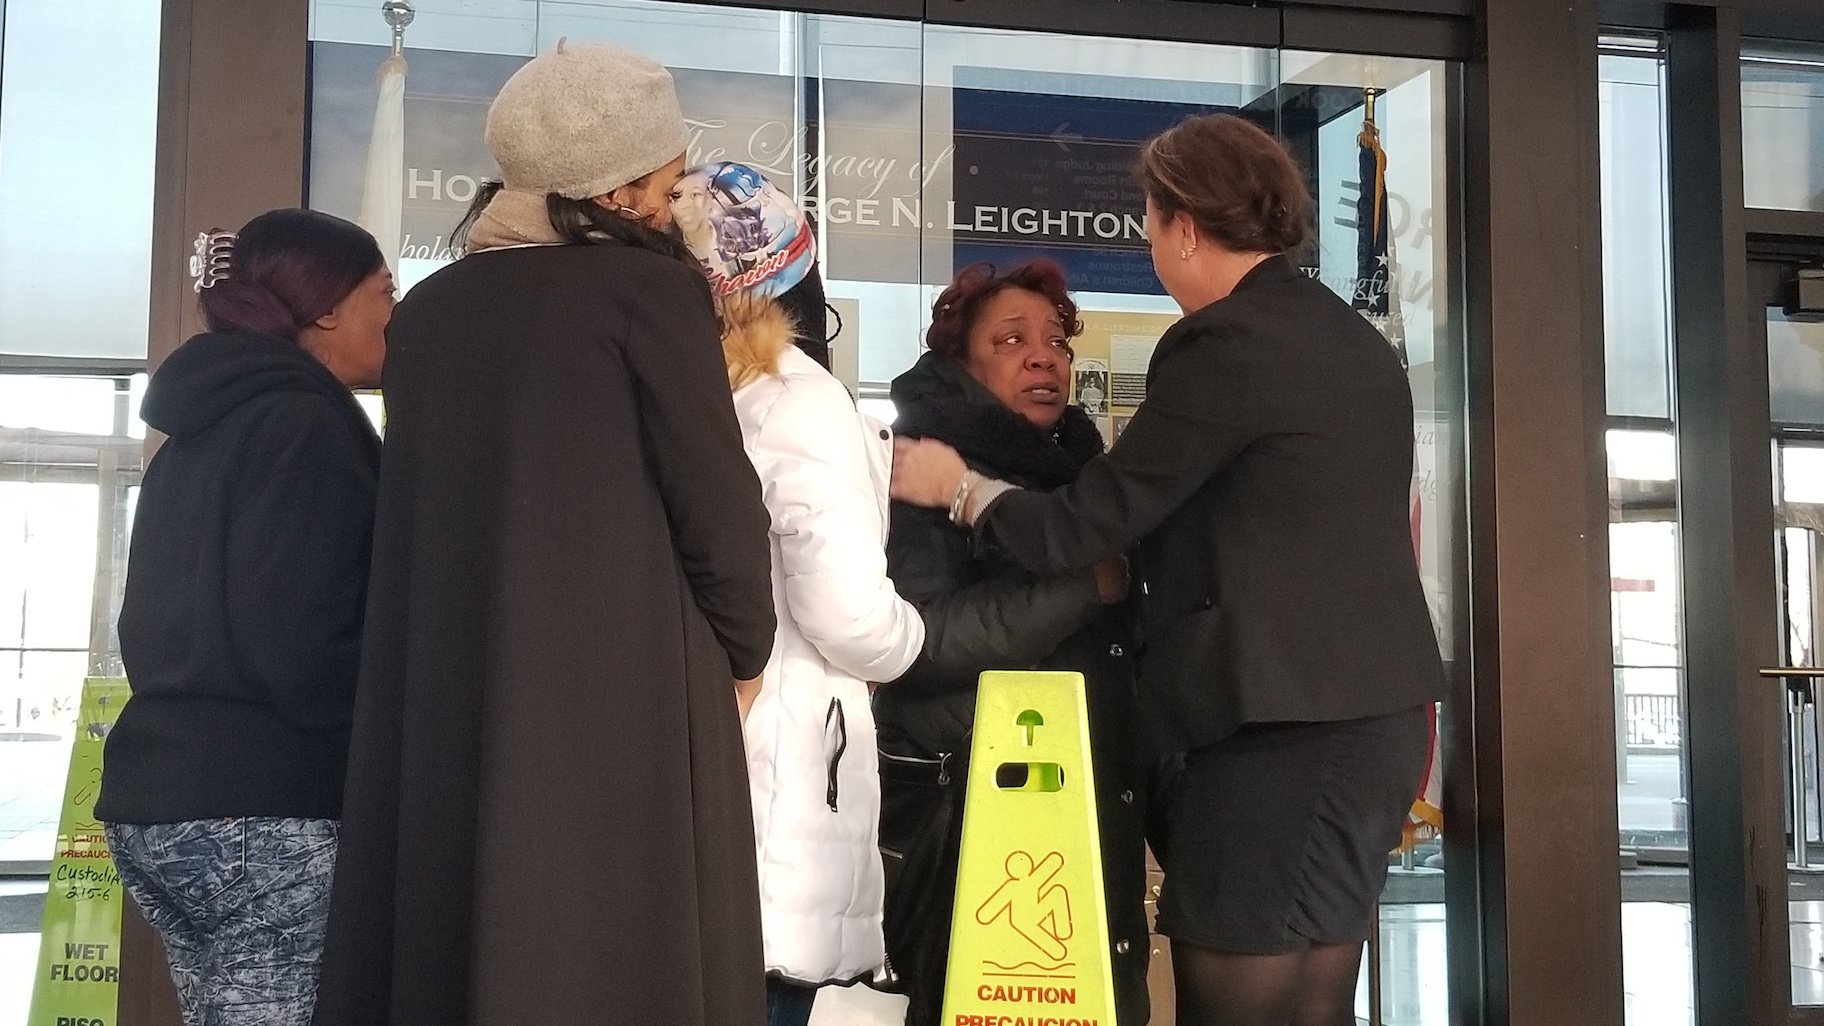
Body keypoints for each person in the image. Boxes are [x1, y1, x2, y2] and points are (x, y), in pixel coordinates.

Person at [890, 114, 1447, 1026]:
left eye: (1149, 224)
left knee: (1239, 1000)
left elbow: (1089, 524)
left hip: (1281, 731)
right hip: (1368, 730)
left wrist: (961, 491)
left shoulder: (1224, 343)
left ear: (1185, 225)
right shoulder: (1350, 340)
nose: (1150, 247)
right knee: (1313, 1002)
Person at [311, 41, 777, 1026]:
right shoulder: (649, 294)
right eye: (663, 176)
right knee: (622, 953)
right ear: (620, 185)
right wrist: (745, 647)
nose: (672, 196)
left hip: (454, 693)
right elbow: (714, 498)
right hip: (625, 699)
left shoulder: (432, 313)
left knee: (467, 935)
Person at [95, 208, 392, 1026]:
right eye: (384, 291)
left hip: (161, 797)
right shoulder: (303, 423)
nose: (395, 315)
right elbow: (297, 637)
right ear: (328, 308)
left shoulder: (199, 431)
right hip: (262, 808)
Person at [679, 172, 926, 1026]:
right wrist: (914, 636)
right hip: (786, 792)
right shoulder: (799, 400)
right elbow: (846, 614)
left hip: (699, 781)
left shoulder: (686, 398)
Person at [874, 260, 1148, 1026]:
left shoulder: (1087, 482)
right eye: (1012, 339)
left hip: (1079, 816)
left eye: (1057, 341)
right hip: (965, 820)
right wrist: (1082, 586)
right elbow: (918, 645)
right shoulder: (917, 471)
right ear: (961, 363)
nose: (1044, 356)